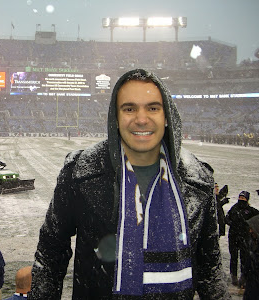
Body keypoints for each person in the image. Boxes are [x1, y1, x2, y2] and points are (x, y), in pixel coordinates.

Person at [29, 68, 230, 299]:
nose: (141, 119)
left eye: (153, 108)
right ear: (115, 117)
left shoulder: (198, 180)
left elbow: (211, 271)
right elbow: (50, 254)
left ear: (167, 117)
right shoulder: (79, 173)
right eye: (129, 108)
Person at [225, 191, 259, 287]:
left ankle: (243, 277)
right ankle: (234, 276)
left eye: (243, 198)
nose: (241, 199)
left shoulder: (250, 210)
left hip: (244, 237)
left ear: (247, 199)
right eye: (240, 197)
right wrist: (230, 222)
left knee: (244, 257)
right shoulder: (234, 208)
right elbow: (227, 217)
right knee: (234, 256)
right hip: (233, 236)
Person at [243, 215, 259, 299]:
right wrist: (244, 276)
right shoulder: (252, 242)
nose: (250, 231)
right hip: (251, 285)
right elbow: (248, 261)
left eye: (252, 228)